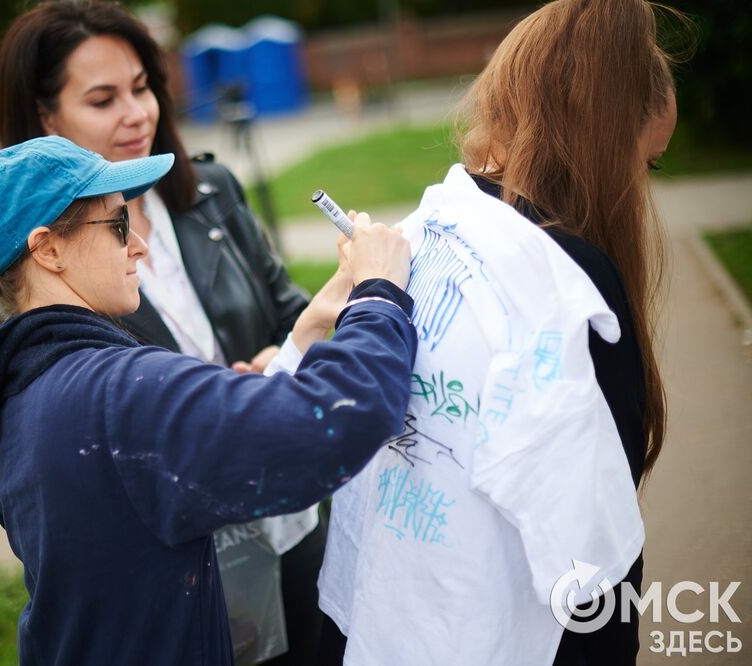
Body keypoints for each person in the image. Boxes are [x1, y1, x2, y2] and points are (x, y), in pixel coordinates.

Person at [264, 1, 676, 664]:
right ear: (605, 141)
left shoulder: (426, 228)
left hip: (373, 615)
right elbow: (592, 551)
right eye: (646, 163)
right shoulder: (568, 285)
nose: (640, 188)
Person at [0, 135, 417, 665]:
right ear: (48, 249)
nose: (140, 245)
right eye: (117, 224)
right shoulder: (118, 393)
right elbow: (332, 421)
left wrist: (309, 329)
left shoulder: (30, 384)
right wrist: (378, 293)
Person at [0, 3, 326, 662]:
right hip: (185, 562)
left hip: (293, 514)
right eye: (103, 98)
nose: (137, 112)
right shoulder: (43, 265)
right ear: (45, 118)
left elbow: (289, 308)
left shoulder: (211, 191)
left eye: (142, 87)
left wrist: (280, 354)